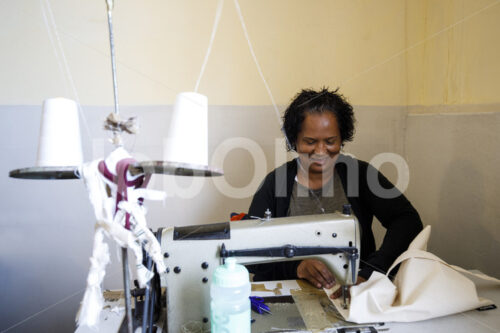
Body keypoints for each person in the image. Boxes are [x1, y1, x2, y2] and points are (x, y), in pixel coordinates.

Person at [246, 88, 423, 296]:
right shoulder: (275, 184)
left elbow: (407, 221)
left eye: (330, 141)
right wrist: (297, 267)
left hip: (354, 295)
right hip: (291, 296)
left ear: (342, 139)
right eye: (310, 142)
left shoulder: (361, 175)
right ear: (294, 140)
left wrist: (370, 272)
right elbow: (251, 252)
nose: (321, 151)